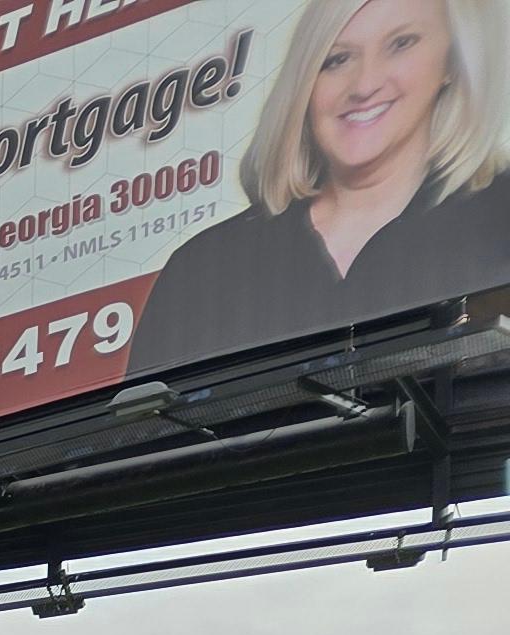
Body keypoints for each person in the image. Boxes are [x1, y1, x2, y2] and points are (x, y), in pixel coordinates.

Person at [128, 0, 510, 375]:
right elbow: (142, 426)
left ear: (452, 60)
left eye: (401, 43)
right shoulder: (203, 269)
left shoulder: (499, 210)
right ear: (305, 83)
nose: (364, 84)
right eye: (337, 59)